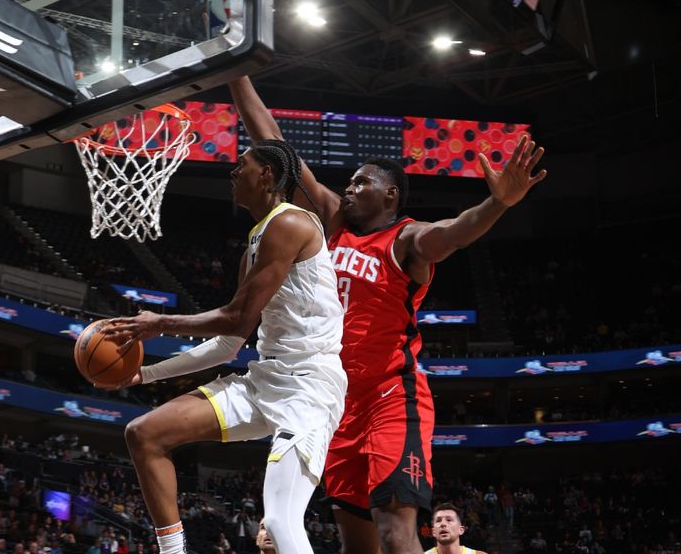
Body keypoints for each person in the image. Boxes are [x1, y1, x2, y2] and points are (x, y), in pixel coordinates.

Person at [228, 75, 546, 554]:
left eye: (362, 183)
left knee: (397, 535)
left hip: (390, 400)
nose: (350, 189)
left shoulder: (408, 239)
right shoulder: (330, 221)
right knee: (357, 545)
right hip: (333, 405)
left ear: (391, 195)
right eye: (351, 182)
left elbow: (455, 232)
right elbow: (274, 142)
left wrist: (496, 204)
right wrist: (236, 72)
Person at [101, 142, 347, 554]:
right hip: (266, 379)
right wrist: (144, 374)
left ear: (266, 174)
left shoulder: (291, 223)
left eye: (241, 166)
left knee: (280, 522)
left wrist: (160, 323)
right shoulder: (257, 237)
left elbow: (237, 318)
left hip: (309, 388)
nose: (233, 174)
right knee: (144, 434)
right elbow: (228, 346)